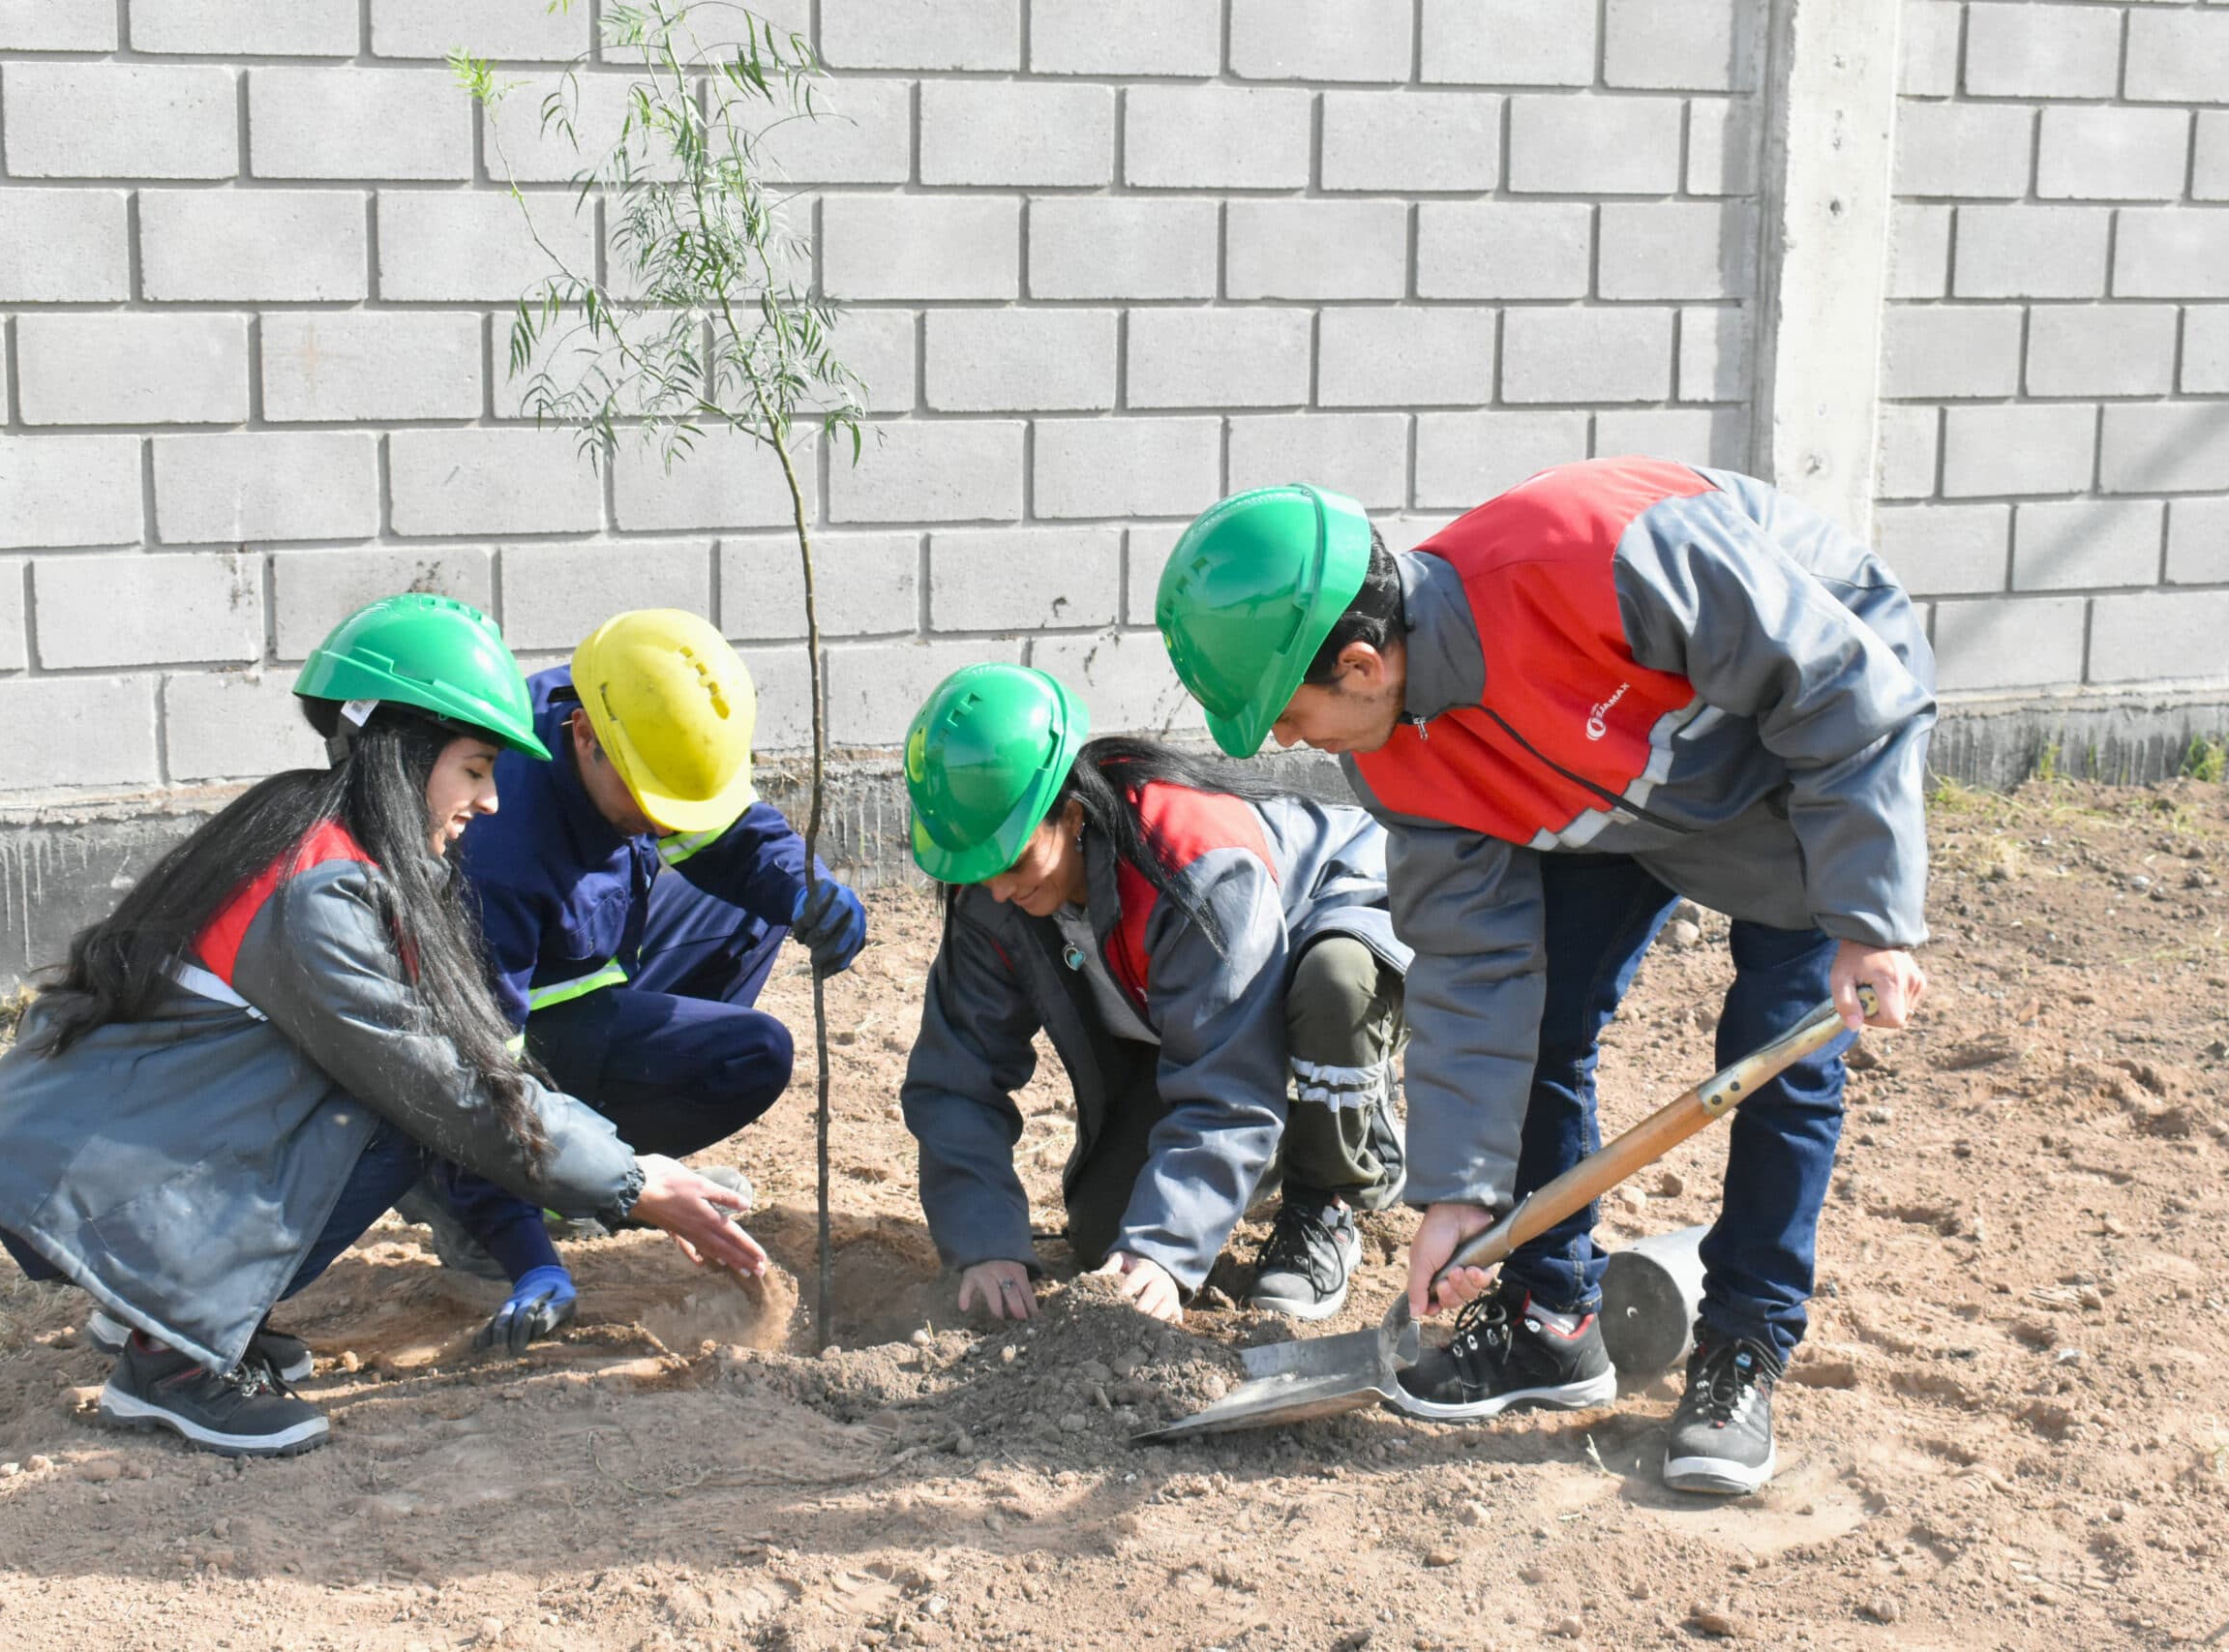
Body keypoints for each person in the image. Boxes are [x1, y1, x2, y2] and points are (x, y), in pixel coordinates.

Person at [1153, 459, 1934, 1494]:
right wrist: (1459, 1194)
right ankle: (1549, 1317)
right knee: (1543, 1028)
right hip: (1619, 801)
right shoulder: (1393, 755)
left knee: (1776, 1054)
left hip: (1805, 759)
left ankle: (1741, 1346)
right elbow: (1475, 967)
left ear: (1358, 663)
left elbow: (1840, 687)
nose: (1290, 744)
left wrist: (1870, 919)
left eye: (1287, 716)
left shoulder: (1596, 554)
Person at [0, 595, 766, 1458]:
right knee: (391, 1115)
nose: (489, 800)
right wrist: (634, 1181)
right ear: (407, 755)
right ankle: (170, 1362)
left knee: (388, 1106)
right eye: (476, 769)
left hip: (100, 1153)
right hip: (88, 1178)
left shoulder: (318, 831)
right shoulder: (321, 893)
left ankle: (160, 1304)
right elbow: (449, 1085)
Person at [897, 662, 1412, 1325]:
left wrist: (1166, 1251)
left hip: (1342, 912)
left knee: (1334, 985)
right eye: (977, 869)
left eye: (1014, 862)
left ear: (1073, 815)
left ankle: (1331, 1184)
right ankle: (1285, 1138)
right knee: (1105, 1230)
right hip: (1204, 1015)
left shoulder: (1194, 866)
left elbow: (1225, 1084)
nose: (998, 890)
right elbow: (955, 1076)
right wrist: (985, 1244)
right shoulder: (992, 892)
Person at [452, 609, 866, 1235]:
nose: (668, 823)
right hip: (516, 1023)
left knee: (754, 912)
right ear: (585, 737)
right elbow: (476, 1068)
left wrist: (809, 886)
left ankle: (621, 1155)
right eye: (654, 801)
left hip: (587, 968)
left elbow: (734, 837)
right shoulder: (502, 845)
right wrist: (532, 1213)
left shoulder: (636, 710)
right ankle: (567, 1183)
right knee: (751, 1054)